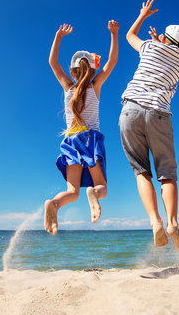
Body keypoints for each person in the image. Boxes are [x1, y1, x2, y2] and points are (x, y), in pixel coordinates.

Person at [119, 0, 179, 252]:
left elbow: (130, 35)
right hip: (159, 114)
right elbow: (173, 54)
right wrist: (163, 42)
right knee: (167, 174)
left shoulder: (149, 47)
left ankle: (155, 223)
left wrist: (142, 15)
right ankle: (172, 224)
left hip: (131, 110)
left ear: (163, 37)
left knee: (142, 171)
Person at [45, 20, 119, 235]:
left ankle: (54, 204)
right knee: (100, 186)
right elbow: (112, 61)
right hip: (90, 140)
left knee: (72, 192)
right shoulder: (95, 87)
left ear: (72, 71)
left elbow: (53, 63)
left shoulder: (68, 87)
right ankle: (94, 195)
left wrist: (58, 38)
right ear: (93, 70)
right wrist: (114, 34)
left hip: (70, 141)